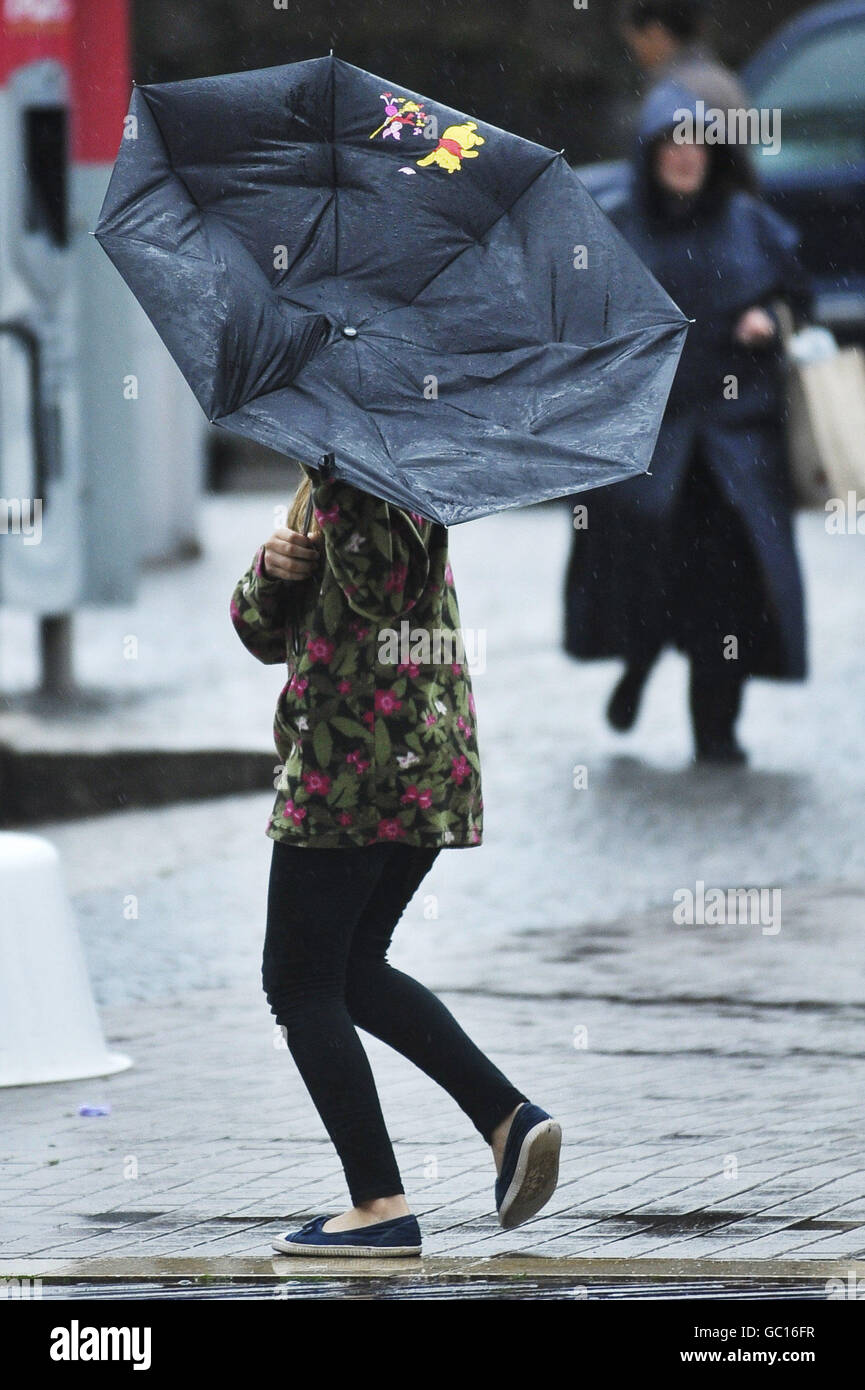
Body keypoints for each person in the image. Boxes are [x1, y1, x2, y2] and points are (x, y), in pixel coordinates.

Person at [230, 457, 562, 1256]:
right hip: (412, 770)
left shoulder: (363, 476)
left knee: (299, 983)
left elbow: (381, 595)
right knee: (351, 971)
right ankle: (506, 1118)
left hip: (356, 772)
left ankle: (378, 1206)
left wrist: (333, 510)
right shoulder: (379, 471)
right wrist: (273, 566)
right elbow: (260, 633)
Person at [563, 82, 812, 763]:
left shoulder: (750, 223)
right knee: (646, 574)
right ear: (649, 154)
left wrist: (771, 319)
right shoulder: (615, 225)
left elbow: (798, 301)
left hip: (735, 445)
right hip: (648, 445)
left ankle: (716, 729)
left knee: (727, 591)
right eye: (671, 143)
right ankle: (638, 659)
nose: (684, 156)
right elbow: (580, 327)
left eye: (695, 141)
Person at [620, 0, 750, 114]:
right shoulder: (717, 76)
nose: (634, 53)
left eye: (635, 42)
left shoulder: (673, 94)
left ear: (655, 32)